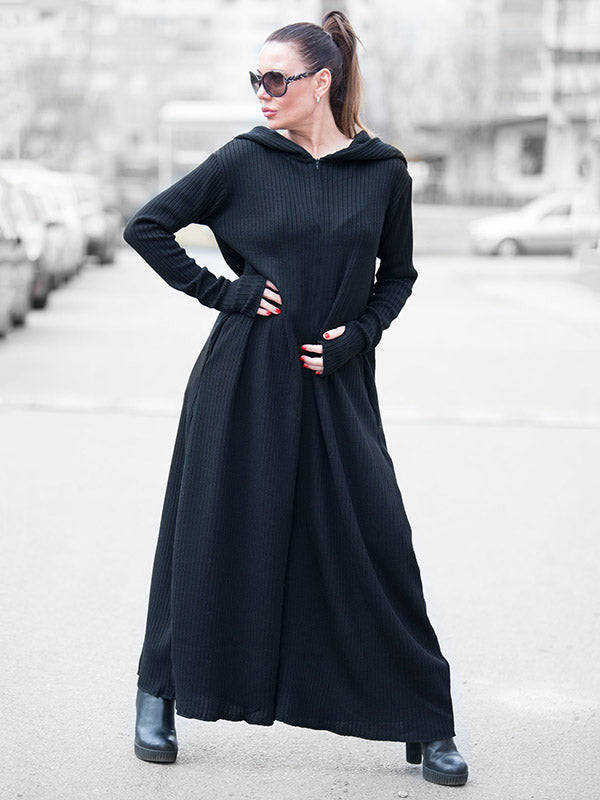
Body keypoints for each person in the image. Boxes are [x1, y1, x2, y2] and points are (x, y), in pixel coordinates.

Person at [123, 10, 469, 788]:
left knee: (377, 544)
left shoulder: (383, 171)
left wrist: (359, 336)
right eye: (256, 77)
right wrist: (227, 292)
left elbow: (398, 276)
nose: (263, 91)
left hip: (337, 380)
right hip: (244, 378)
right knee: (207, 532)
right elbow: (149, 227)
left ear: (322, 82)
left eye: (277, 78)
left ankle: (426, 717)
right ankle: (158, 690)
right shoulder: (244, 159)